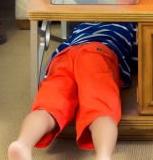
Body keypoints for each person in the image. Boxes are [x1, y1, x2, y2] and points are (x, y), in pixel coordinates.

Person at [8, 22, 136, 160]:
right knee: (101, 110)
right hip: (98, 53)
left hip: (65, 55)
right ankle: (103, 156)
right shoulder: (129, 23)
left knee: (47, 108)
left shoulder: (83, 23)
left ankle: (23, 143)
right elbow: (142, 56)